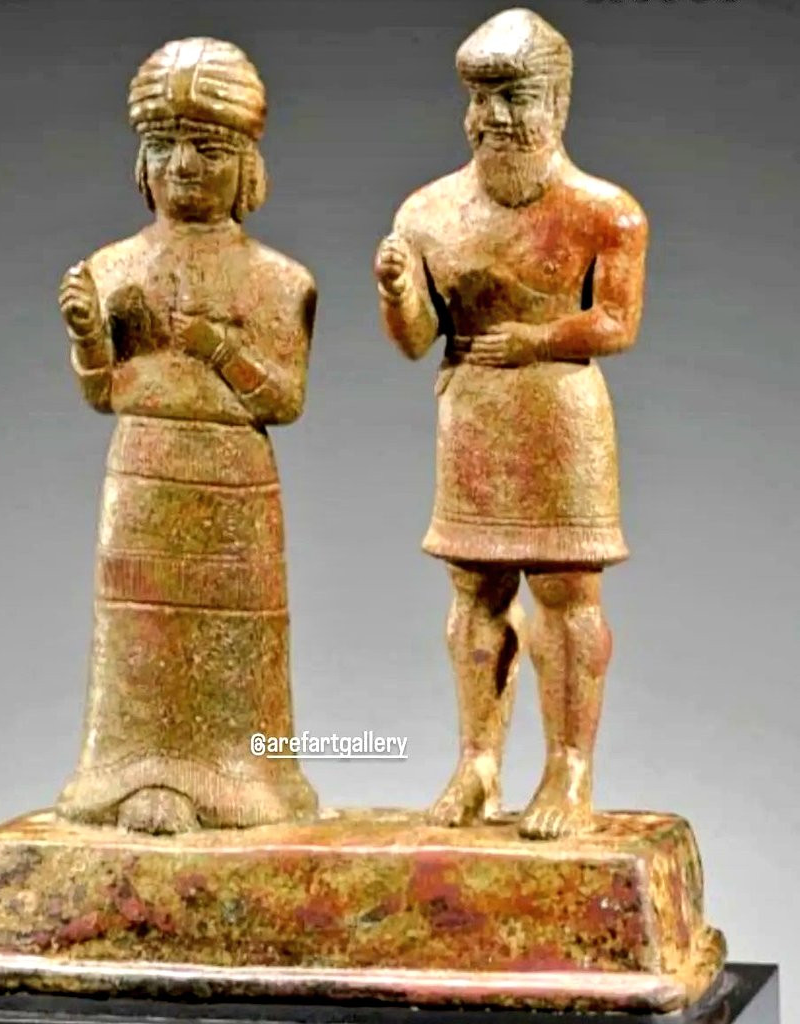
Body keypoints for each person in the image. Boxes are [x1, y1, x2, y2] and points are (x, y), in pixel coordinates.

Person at [375, 9, 648, 839]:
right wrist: (398, 293)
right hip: (472, 412)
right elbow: (417, 340)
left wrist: (534, 339)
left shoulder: (605, 213)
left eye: (513, 96)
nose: (492, 116)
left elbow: (616, 323)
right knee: (473, 592)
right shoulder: (428, 213)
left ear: (557, 101)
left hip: (560, 414)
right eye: (479, 97)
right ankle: (477, 765)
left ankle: (567, 770)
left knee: (566, 592)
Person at [56, 37, 318, 834]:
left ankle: (244, 780)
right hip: (142, 478)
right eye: (163, 145)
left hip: (233, 484)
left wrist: (216, 347)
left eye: (206, 148)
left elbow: (283, 399)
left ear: (246, 166)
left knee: (232, 645)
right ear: (141, 163)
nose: (182, 166)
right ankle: (130, 777)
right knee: (140, 634)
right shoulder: (109, 269)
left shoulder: (280, 280)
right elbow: (104, 393)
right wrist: (88, 338)